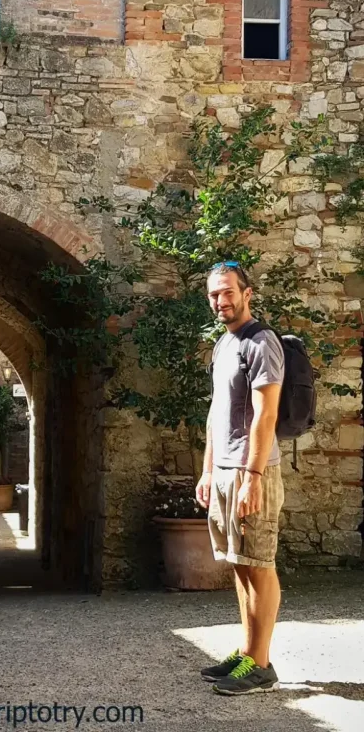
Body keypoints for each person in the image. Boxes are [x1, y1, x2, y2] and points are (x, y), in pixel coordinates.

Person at [196, 261, 285, 696]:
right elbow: (216, 414)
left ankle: (262, 665)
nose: (220, 301)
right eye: (214, 295)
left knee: (259, 565)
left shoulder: (260, 342)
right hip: (226, 471)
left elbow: (265, 414)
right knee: (239, 562)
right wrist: (209, 469)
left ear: (247, 293)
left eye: (227, 292)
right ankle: (248, 651)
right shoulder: (223, 345)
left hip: (255, 471)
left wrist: (251, 475)